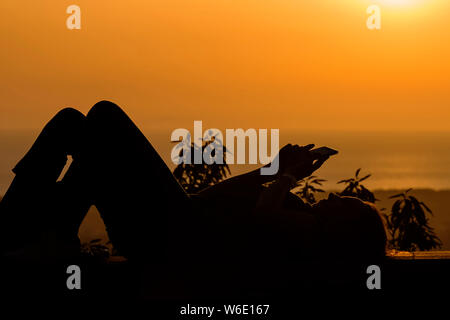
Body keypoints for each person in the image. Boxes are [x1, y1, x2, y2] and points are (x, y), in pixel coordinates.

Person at [0, 101, 386, 264]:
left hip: (168, 236)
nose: (338, 198)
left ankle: (46, 236)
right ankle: (40, 235)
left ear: (344, 229)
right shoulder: (296, 216)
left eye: (346, 205)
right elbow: (207, 198)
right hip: (176, 221)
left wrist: (285, 176)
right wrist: (271, 170)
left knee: (103, 116)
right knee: (76, 125)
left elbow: (266, 213)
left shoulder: (309, 232)